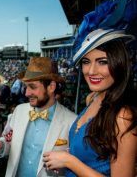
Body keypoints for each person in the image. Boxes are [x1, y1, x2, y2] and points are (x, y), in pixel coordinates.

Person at [43, 29, 137, 176]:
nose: (91, 71)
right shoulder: (92, 98)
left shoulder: (123, 117)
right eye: (86, 62)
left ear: (119, 64)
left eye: (102, 62)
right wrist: (66, 161)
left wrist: (70, 162)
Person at [0, 57, 77, 176]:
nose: (26, 93)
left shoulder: (73, 122)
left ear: (51, 87)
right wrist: (0, 145)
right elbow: (8, 140)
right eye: (26, 86)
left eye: (32, 87)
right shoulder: (19, 111)